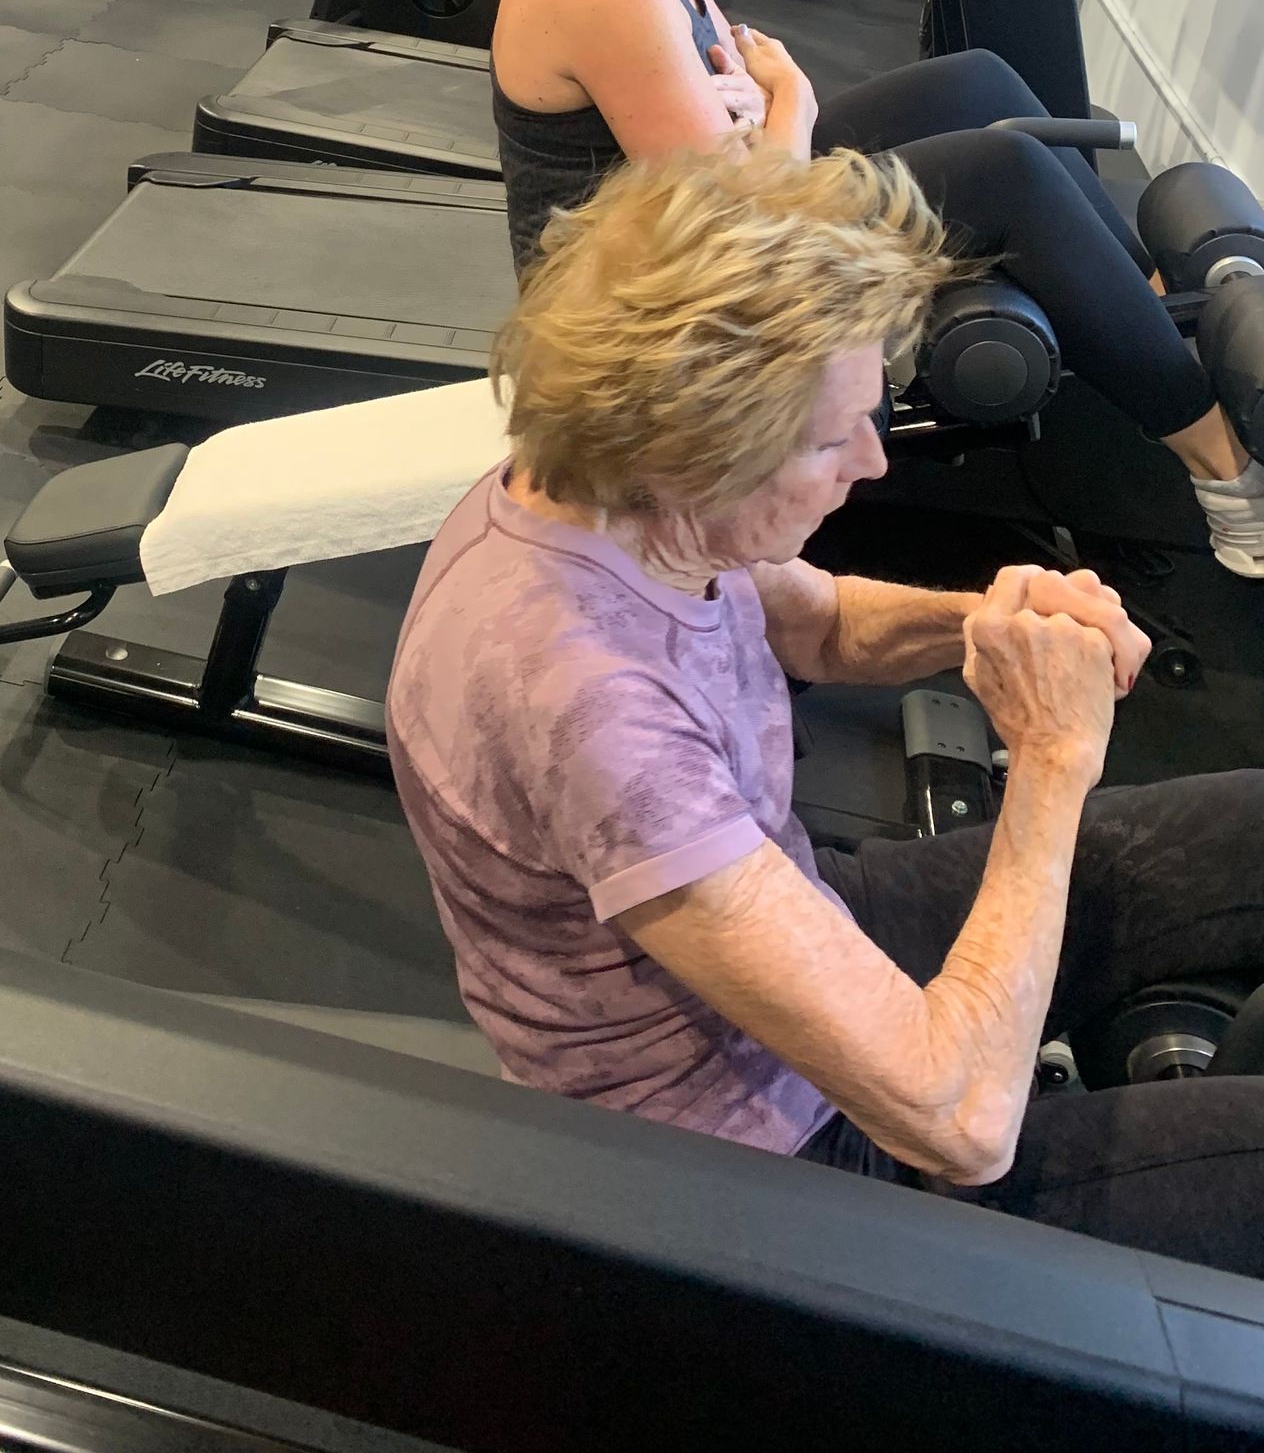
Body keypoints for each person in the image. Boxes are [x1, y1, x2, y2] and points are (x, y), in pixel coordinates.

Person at [388, 143, 1264, 1278]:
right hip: (766, 1160)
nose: (871, 459)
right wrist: (1049, 755)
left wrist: (997, 619)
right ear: (693, 454)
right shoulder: (585, 698)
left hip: (797, 920)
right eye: (828, 437)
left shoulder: (609, 498)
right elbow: (960, 1120)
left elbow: (813, 623)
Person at [487, 0, 1264, 574]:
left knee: (977, 83)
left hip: (683, 236)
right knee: (1000, 175)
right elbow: (742, 216)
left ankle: (1140, 315)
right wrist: (791, 102)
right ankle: (1231, 482)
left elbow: (733, 124)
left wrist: (759, 109)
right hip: (641, 312)